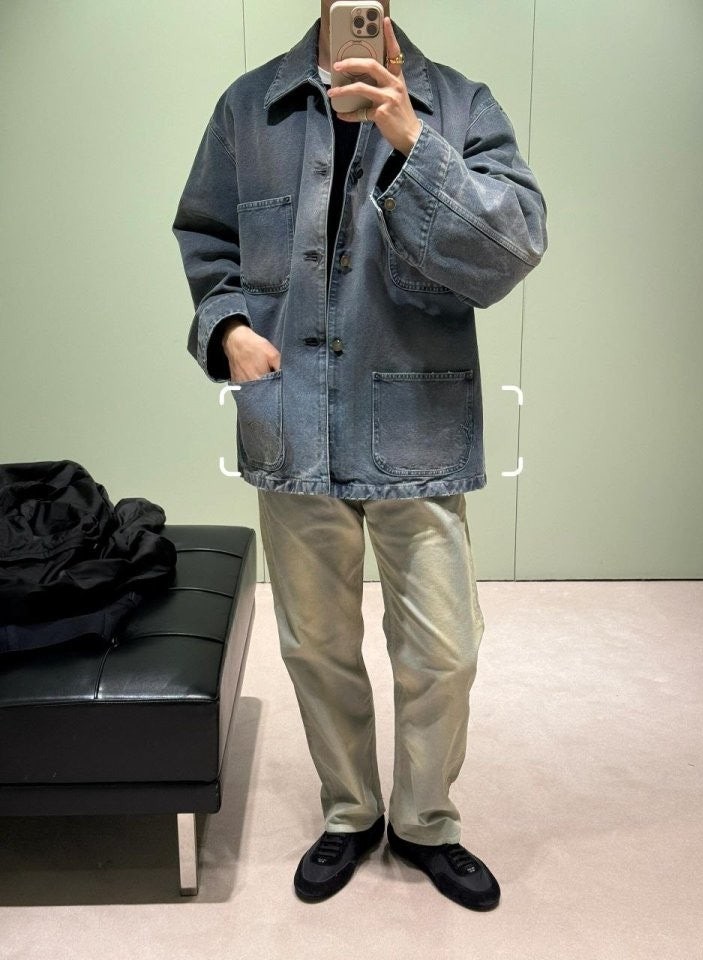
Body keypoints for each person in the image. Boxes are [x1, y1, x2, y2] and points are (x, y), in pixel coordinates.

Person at [173, 0, 547, 911]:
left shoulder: (458, 104)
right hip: (292, 419)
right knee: (317, 646)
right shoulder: (248, 107)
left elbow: (513, 245)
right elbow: (207, 237)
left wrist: (411, 138)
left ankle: (425, 822)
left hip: (417, 424)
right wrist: (226, 328)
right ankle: (350, 813)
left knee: (445, 652)